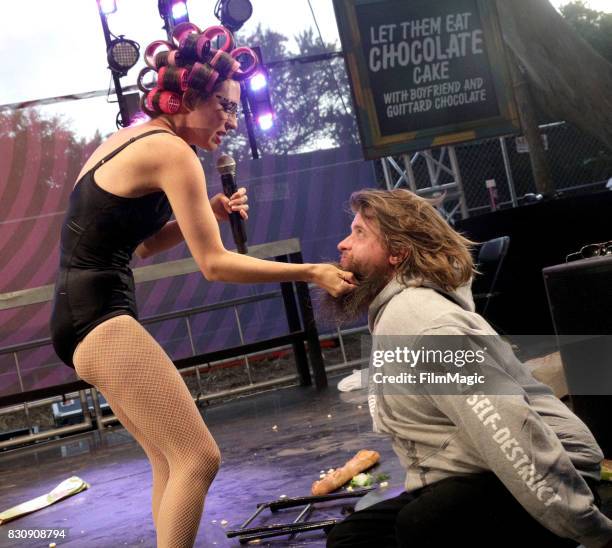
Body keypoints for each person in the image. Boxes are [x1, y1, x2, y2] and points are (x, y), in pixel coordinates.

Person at [49, 25, 355, 548]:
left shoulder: (133, 139)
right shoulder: (175, 154)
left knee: (168, 460)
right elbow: (214, 265)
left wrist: (207, 209)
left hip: (81, 316)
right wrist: (312, 272)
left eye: (236, 109)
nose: (232, 122)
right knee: (198, 457)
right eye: (223, 106)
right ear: (187, 97)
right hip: (98, 316)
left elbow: (141, 246)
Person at [320, 189, 612, 548]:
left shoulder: (423, 323)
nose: (342, 244)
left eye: (360, 233)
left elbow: (508, 428)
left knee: (425, 523)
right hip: (479, 473)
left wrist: (593, 529)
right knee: (353, 538)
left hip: (559, 476)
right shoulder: (392, 314)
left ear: (397, 253)